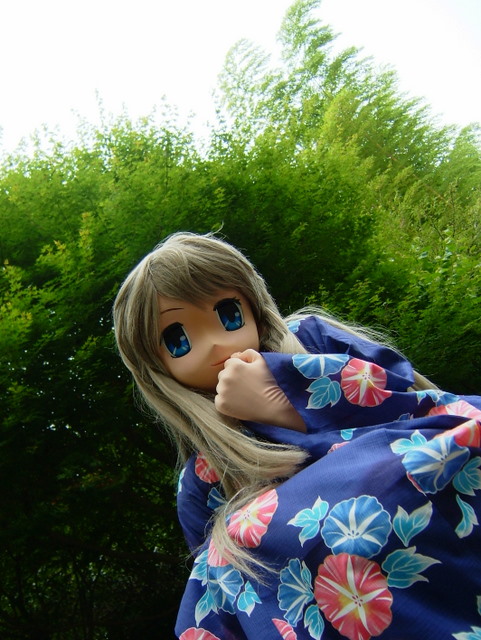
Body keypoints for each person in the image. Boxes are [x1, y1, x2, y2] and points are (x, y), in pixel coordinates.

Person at [113, 232, 481, 640]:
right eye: (177, 339)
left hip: (426, 504)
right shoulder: (205, 475)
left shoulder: (310, 339)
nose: (215, 342)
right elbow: (225, 587)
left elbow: (407, 396)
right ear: (156, 367)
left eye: (228, 313)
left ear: (252, 305)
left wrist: (287, 396)